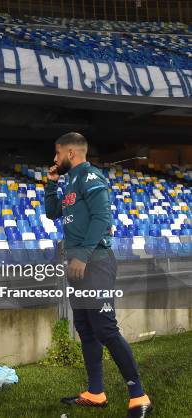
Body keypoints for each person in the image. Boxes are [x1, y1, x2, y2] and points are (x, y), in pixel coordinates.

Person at [45, 132, 152, 418]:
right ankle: (96, 392)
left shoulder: (90, 177)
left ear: (70, 153)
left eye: (56, 154)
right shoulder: (69, 182)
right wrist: (50, 183)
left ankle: (139, 395)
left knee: (105, 329)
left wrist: (82, 256)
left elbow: (103, 218)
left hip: (95, 263)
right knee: (86, 327)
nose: (53, 159)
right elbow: (52, 212)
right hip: (78, 265)